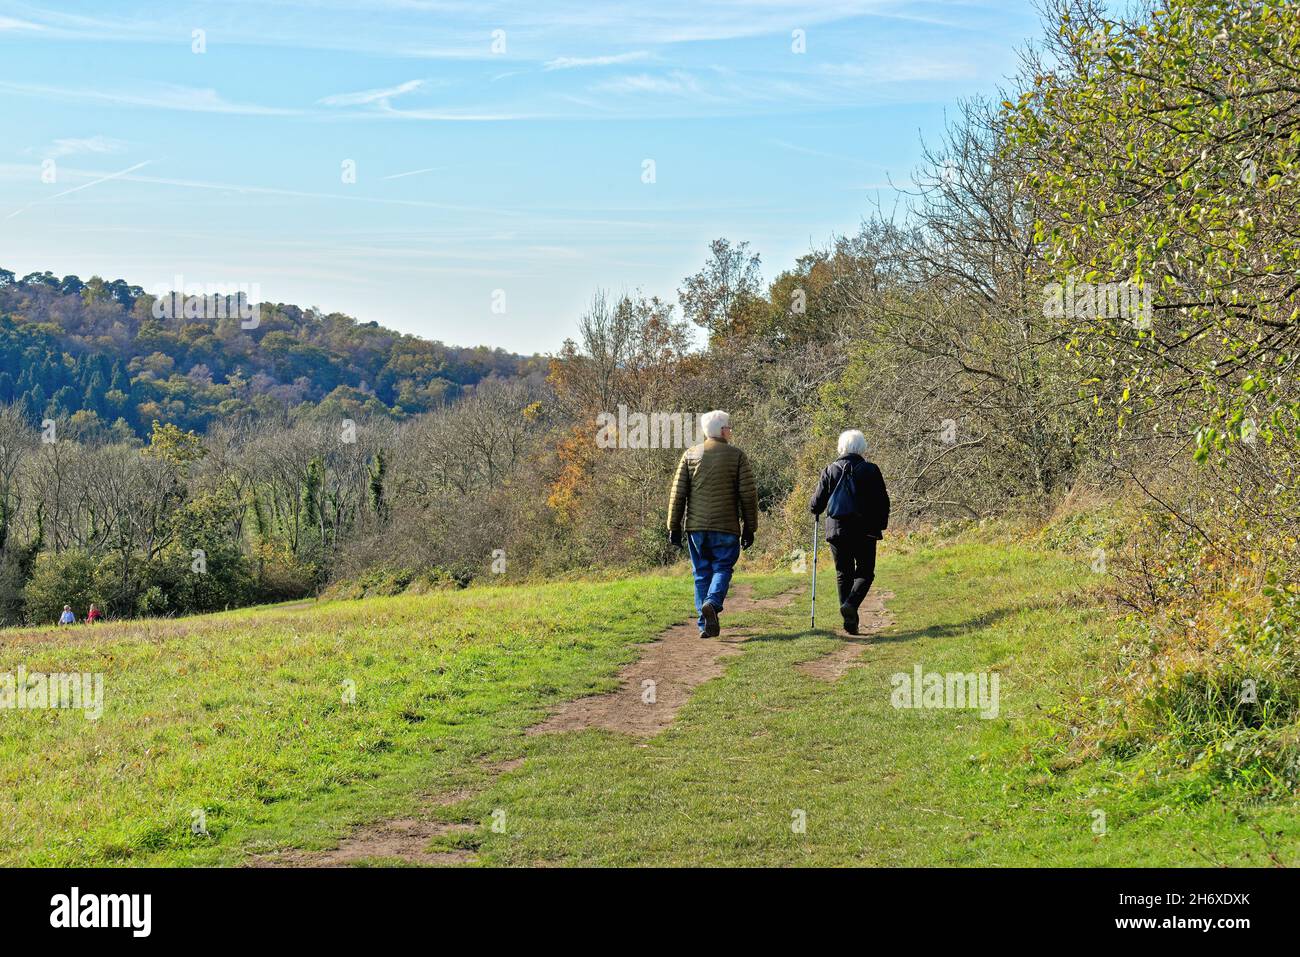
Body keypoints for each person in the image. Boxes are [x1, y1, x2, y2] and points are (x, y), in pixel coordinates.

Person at [666, 410, 759, 638]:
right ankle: (712, 602)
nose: (731, 431)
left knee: (701, 574)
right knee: (723, 567)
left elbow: (678, 494)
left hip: (696, 529)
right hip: (726, 527)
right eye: (729, 427)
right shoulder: (736, 456)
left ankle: (703, 624)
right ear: (721, 430)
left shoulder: (690, 455)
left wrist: (673, 526)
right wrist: (750, 527)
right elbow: (748, 495)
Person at [809, 429, 890, 635]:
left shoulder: (830, 469)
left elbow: (816, 504)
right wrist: (880, 525)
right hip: (865, 531)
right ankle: (851, 605)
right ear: (861, 448)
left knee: (843, 573)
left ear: (841, 447)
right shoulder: (871, 470)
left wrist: (816, 508)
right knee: (865, 572)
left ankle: (849, 621)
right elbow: (882, 501)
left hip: (837, 531)